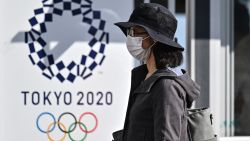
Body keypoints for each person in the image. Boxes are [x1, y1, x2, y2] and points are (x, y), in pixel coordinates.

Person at [113, 3, 200, 141]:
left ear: (153, 39)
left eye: (135, 32)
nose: (130, 37)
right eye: (129, 32)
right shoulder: (143, 77)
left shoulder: (167, 86)